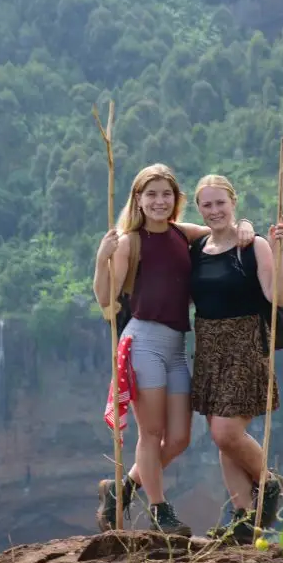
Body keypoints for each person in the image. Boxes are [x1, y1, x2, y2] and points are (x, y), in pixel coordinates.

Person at [92, 163, 255, 536]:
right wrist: (102, 258)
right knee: (151, 432)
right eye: (151, 194)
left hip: (176, 346)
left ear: (176, 200)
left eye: (166, 194)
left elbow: (222, 231)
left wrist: (245, 226)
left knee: (179, 437)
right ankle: (159, 509)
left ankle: (120, 491)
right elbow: (105, 297)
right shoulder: (129, 241)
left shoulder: (183, 234)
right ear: (138, 199)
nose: (159, 201)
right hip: (143, 340)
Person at [188, 174, 283, 544]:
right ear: (198, 209)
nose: (215, 210)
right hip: (209, 348)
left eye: (221, 203)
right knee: (224, 440)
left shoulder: (254, 246)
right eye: (207, 204)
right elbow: (163, 227)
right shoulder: (196, 248)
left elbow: (277, 297)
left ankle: (269, 483)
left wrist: (278, 254)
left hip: (245, 346)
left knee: (225, 431)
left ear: (234, 203)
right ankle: (244, 520)